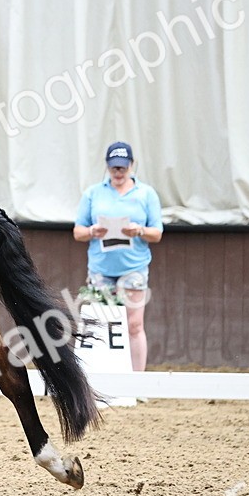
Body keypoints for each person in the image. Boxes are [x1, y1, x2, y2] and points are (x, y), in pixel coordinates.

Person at [73, 141, 163, 372]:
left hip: (134, 268)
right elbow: (78, 231)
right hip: (101, 269)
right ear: (107, 167)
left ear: (132, 166)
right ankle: (99, 376)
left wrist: (139, 231)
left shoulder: (146, 193)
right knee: (99, 325)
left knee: (134, 325)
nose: (118, 172)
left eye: (122, 167)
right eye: (114, 167)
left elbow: (157, 232)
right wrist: (93, 231)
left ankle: (137, 382)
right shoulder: (93, 193)